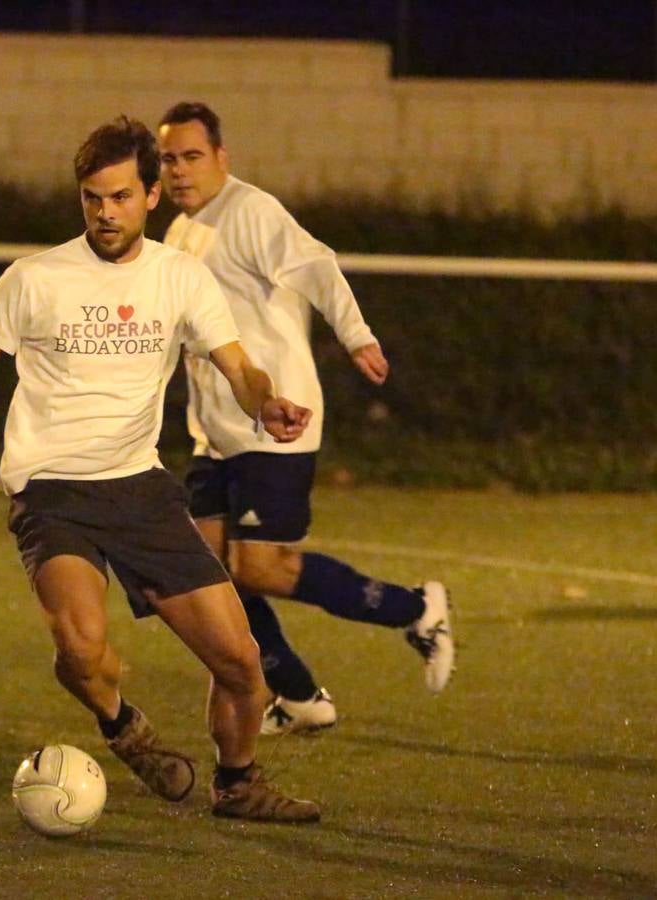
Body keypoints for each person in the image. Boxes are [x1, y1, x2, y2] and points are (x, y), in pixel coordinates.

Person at [0, 116, 321, 822]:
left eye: (118, 197)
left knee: (241, 663)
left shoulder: (181, 277)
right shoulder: (35, 278)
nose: (104, 213)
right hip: (52, 490)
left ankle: (237, 784)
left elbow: (237, 365)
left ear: (150, 197)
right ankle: (123, 726)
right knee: (82, 649)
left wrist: (266, 405)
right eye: (91, 198)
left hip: (140, 488)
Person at [156, 101, 455, 736]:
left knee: (258, 569)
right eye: (169, 158)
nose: (180, 171)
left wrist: (356, 335)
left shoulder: (248, 211)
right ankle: (297, 695)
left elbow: (317, 265)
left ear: (221, 158)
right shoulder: (179, 234)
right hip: (215, 434)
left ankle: (415, 608)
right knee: (207, 575)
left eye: (192, 156)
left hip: (276, 423)